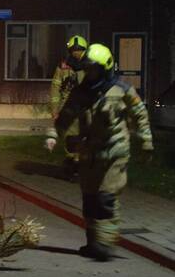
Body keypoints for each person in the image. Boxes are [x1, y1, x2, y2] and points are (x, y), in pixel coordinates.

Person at [45, 43, 153, 261]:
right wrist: (52, 135)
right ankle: (93, 243)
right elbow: (66, 116)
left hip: (114, 152)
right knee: (90, 199)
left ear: (105, 68)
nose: (90, 74)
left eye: (94, 69)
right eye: (88, 69)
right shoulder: (82, 92)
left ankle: (105, 244)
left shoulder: (122, 90)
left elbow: (140, 115)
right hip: (89, 154)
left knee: (105, 199)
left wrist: (146, 143)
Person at [49, 35, 88, 177]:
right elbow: (55, 88)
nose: (77, 52)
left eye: (79, 50)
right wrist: (54, 110)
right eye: (75, 50)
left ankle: (76, 164)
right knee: (72, 139)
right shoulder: (64, 66)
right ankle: (74, 164)